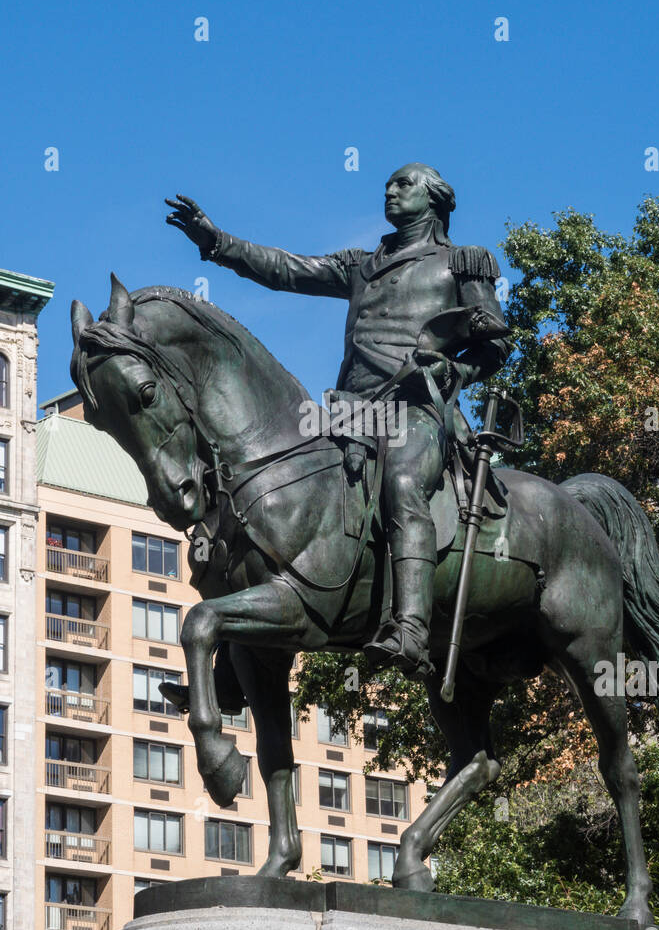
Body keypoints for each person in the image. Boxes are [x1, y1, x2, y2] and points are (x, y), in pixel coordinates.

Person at [166, 162, 510, 677]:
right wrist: (217, 241)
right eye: (388, 185)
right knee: (267, 481)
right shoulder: (362, 264)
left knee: (401, 480)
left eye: (403, 184)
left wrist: (451, 367)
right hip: (349, 411)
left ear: (435, 198)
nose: (391, 191)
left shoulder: (464, 263)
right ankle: (233, 664)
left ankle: (411, 628)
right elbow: (286, 269)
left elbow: (495, 346)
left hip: (418, 410)